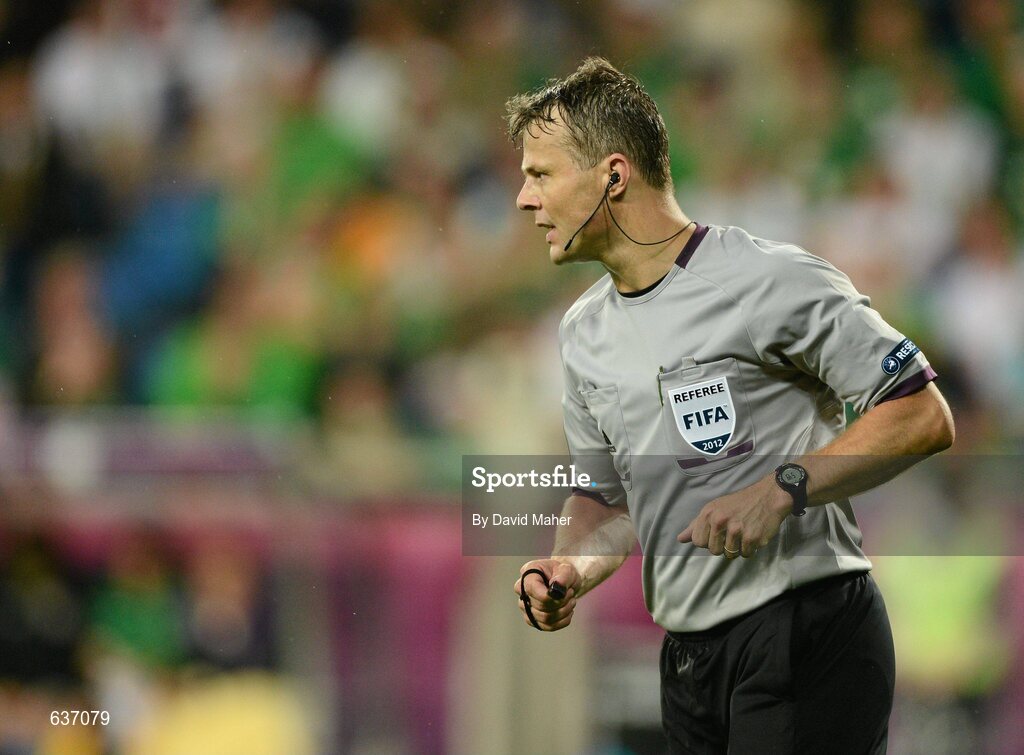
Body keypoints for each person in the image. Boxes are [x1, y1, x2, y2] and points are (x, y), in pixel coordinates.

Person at [506, 58, 955, 754]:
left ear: (613, 176)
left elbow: (922, 413)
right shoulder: (582, 333)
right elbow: (606, 498)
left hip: (806, 630)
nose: (524, 199)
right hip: (688, 658)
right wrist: (568, 569)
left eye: (541, 174)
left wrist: (784, 487)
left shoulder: (766, 280)